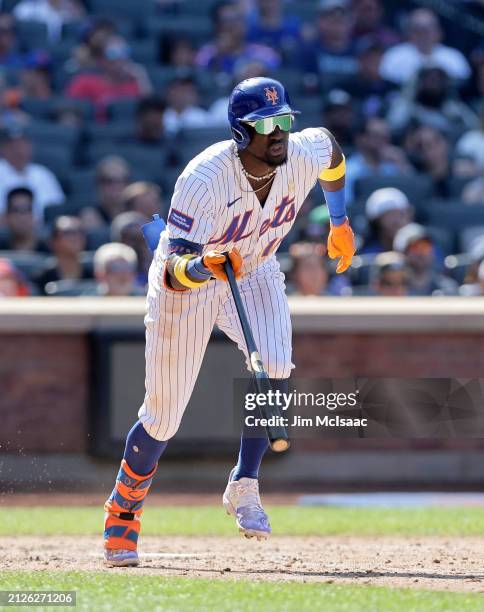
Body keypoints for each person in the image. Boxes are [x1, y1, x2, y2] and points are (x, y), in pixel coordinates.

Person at [102, 77, 356, 567]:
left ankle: (244, 482)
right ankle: (124, 510)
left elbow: (333, 153)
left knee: (276, 363)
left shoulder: (301, 151)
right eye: (265, 125)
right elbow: (175, 271)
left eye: (283, 119)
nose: (279, 132)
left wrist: (340, 221)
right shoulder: (204, 178)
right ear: (241, 133)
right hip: (190, 281)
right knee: (164, 413)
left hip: (255, 265)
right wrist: (205, 268)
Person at [66, 35, 151, 121]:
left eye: (125, 51)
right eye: (113, 53)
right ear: (100, 59)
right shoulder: (83, 82)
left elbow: (150, 115)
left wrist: (142, 78)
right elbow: (70, 114)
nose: (120, 58)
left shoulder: (136, 85)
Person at [379, 8, 471, 85]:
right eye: (418, 30)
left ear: (439, 32)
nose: (423, 36)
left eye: (427, 30)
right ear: (409, 33)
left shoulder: (453, 57)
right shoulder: (394, 56)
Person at [195, 0, 280, 79]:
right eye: (227, 21)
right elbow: (201, 69)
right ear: (217, 26)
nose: (234, 25)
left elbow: (273, 62)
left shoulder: (261, 52)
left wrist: (259, 67)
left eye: (238, 19)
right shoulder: (207, 53)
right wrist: (219, 55)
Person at [0, 122, 65, 222]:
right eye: (13, 145)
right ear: (3, 149)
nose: (20, 150)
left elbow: (58, 210)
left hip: (44, 231)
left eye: (23, 144)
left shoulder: (43, 173)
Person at [386, 66, 478, 135]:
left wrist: (458, 116)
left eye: (439, 81)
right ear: (420, 83)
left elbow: (474, 127)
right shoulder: (408, 107)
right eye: (431, 80)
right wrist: (408, 96)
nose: (435, 85)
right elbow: (394, 125)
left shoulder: (454, 109)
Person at [345, 117, 411, 203]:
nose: (383, 141)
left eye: (385, 137)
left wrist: (401, 163)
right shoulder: (349, 171)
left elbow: (411, 193)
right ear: (361, 139)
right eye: (377, 136)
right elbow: (346, 205)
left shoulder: (393, 166)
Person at [299, 0, 358, 86]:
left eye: (342, 17)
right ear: (320, 21)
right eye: (332, 18)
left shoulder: (359, 50)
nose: (338, 22)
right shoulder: (308, 52)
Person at [393, 223, 457, 296]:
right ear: (402, 253)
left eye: (425, 247)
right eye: (415, 247)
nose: (421, 253)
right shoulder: (389, 290)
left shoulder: (447, 288)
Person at [35, 215, 92, 294]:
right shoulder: (41, 279)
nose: (76, 237)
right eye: (68, 232)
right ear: (53, 241)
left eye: (80, 231)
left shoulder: (93, 276)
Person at [80, 156, 131, 229]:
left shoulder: (136, 216)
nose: (116, 186)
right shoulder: (90, 217)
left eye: (122, 180)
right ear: (98, 185)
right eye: (109, 181)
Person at [362, 187, 412, 254]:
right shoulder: (364, 251)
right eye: (390, 215)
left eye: (401, 214)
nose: (397, 221)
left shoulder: (422, 246)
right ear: (376, 222)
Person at [111, 211, 151, 288]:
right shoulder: (109, 267)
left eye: (139, 238)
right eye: (128, 238)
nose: (135, 244)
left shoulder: (158, 264)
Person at [13, 0, 85, 44]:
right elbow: (16, 17)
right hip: (36, 48)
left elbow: (82, 20)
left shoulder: (70, 8)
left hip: (60, 48)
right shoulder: (30, 8)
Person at [0, 186, 46, 251]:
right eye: (15, 210)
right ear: (6, 216)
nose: (21, 217)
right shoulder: (1, 251)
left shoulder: (52, 251)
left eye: (26, 209)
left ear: (36, 216)